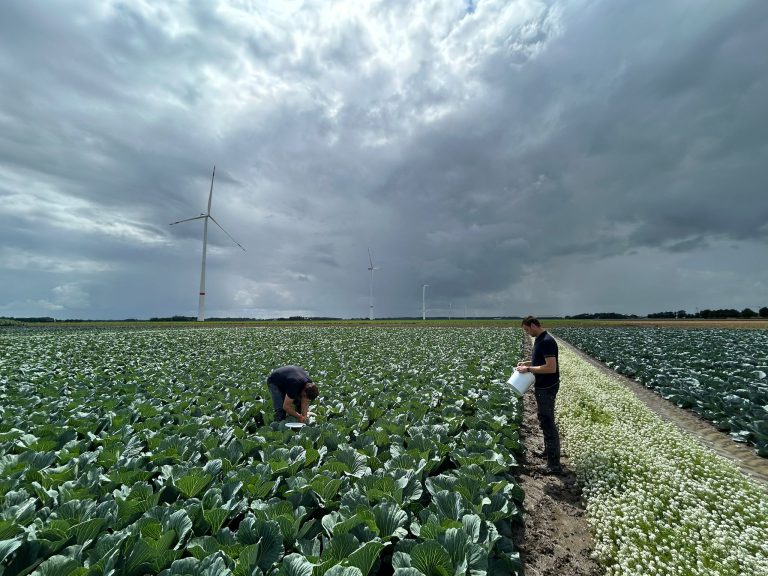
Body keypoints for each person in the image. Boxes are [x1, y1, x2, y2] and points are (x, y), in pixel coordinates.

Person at [516, 316, 562, 475]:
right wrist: (527, 363)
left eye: (527, 330)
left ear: (534, 325)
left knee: (548, 422)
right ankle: (547, 452)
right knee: (544, 420)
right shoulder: (541, 339)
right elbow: (540, 361)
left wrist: (528, 370)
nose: (527, 333)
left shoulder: (546, 341)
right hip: (543, 386)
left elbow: (551, 368)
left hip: (547, 387)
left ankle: (554, 464)